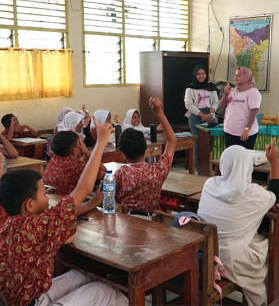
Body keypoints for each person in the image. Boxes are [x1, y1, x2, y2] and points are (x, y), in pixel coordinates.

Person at [0, 117, 128, 306]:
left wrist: (91, 203)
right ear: (29, 205)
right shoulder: (35, 226)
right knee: (103, 291)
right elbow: (82, 189)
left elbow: (66, 236)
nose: (49, 197)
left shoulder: (11, 223)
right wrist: (100, 143)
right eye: (44, 193)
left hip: (24, 297)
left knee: (81, 276)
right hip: (29, 303)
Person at [197, 140, 279, 306]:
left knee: (251, 242)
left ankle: (274, 288)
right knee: (264, 246)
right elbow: (276, 194)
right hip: (229, 260)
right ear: (248, 166)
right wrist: (274, 161)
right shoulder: (254, 194)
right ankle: (269, 294)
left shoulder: (210, 184)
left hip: (204, 254)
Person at [114, 97, 176, 216]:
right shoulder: (157, 171)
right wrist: (158, 111)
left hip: (124, 222)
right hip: (149, 223)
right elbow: (172, 141)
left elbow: (109, 196)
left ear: (123, 153)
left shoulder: (121, 173)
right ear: (146, 149)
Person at [43, 131, 107, 195]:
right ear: (75, 151)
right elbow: (105, 172)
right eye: (81, 144)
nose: (82, 145)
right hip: (72, 202)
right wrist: (87, 152)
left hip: (53, 199)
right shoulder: (78, 166)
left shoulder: (54, 159)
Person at [184, 65, 219, 170]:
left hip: (209, 114)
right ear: (195, 75)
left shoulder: (211, 87)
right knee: (197, 142)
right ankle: (198, 167)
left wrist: (210, 114)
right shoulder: (190, 88)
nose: (201, 76)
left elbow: (216, 102)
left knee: (211, 142)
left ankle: (210, 166)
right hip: (195, 116)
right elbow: (188, 104)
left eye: (203, 74)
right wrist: (202, 115)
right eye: (199, 74)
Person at [218, 67, 262, 149]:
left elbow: (254, 111)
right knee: (232, 158)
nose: (235, 77)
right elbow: (221, 106)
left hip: (244, 133)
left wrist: (247, 129)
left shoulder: (253, 92)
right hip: (229, 131)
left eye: (239, 75)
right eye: (235, 75)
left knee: (243, 159)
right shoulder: (232, 90)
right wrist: (226, 93)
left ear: (246, 77)